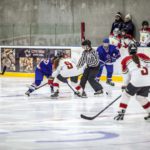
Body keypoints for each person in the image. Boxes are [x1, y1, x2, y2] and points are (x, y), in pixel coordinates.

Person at [114, 43, 150, 121]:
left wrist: (124, 86)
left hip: (136, 81)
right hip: (147, 81)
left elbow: (126, 76)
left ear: (128, 50)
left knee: (126, 95)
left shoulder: (125, 60)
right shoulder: (143, 56)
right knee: (140, 97)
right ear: (136, 50)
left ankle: (121, 112)